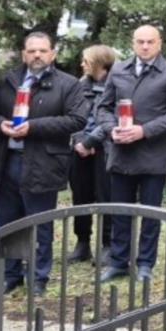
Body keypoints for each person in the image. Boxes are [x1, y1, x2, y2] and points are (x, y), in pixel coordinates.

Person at [0, 32, 88, 294]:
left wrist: (33, 127)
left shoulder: (69, 84)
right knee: (8, 221)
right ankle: (11, 274)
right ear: (23, 54)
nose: (37, 55)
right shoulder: (7, 80)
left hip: (44, 162)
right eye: (32, 51)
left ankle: (38, 277)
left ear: (53, 54)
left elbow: (77, 120)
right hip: (7, 160)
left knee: (40, 223)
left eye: (43, 51)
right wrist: (1, 124)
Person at [95, 25, 166, 282]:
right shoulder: (118, 69)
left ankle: (146, 263)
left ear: (159, 43)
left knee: (150, 213)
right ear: (133, 43)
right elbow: (103, 108)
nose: (145, 46)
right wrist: (109, 129)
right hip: (121, 153)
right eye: (140, 42)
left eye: (150, 42)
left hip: (152, 154)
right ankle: (118, 261)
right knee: (120, 211)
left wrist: (144, 131)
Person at [67, 44, 118, 266]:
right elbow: (73, 114)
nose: (81, 65)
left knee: (106, 196)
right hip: (79, 149)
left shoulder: (117, 84)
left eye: (85, 61)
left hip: (105, 148)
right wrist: (80, 141)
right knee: (80, 195)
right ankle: (82, 243)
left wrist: (91, 141)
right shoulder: (79, 85)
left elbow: (113, 116)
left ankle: (108, 245)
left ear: (98, 62)